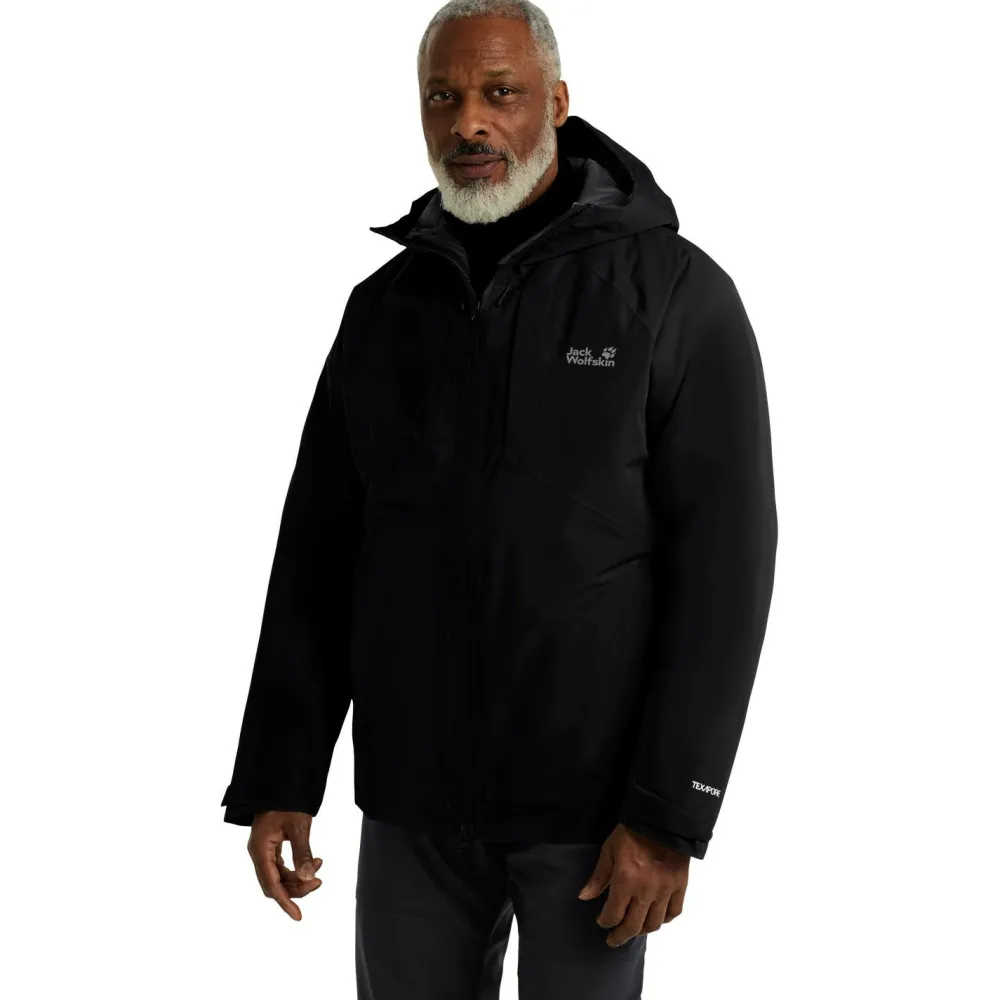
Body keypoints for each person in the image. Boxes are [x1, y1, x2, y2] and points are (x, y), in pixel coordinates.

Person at [221, 1, 777, 996]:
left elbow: (725, 574)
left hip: (595, 819)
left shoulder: (674, 297)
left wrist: (668, 813)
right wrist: (279, 776)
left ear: (556, 104)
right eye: (442, 97)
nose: (468, 121)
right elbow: (319, 553)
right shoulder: (383, 311)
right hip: (413, 807)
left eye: (499, 92)